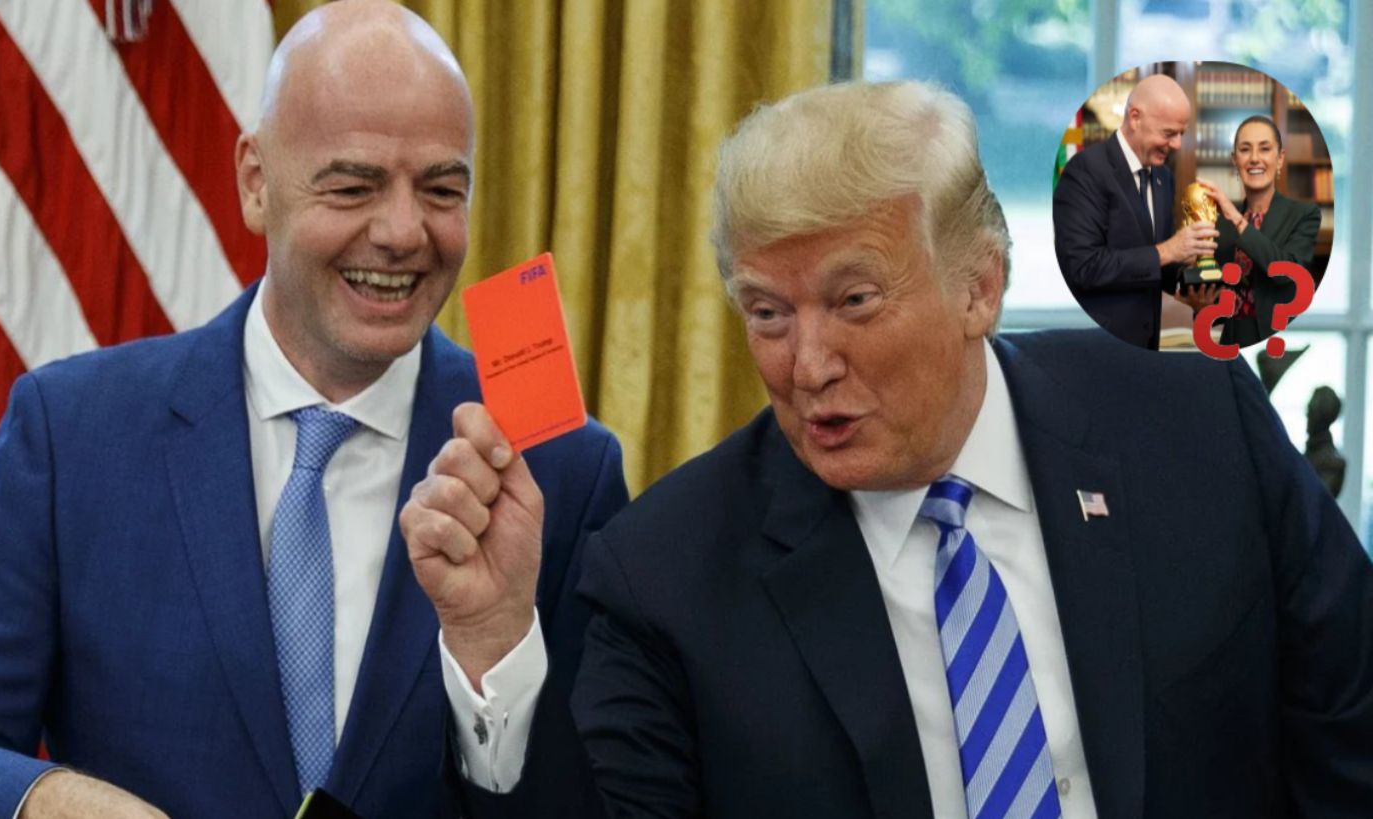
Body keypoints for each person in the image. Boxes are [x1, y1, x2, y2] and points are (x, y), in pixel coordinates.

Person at [415, 79, 1373, 818]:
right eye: (767, 312)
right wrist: (495, 642)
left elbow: (1350, 729)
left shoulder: (1192, 421)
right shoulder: (665, 571)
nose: (809, 365)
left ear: (979, 287)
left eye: (854, 300)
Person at [0, 3, 626, 818]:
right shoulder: (71, 435)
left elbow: (608, 800)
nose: (404, 232)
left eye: (441, 189)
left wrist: (495, 659)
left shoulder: (560, 467)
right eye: (353, 185)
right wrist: (47, 799)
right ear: (256, 183)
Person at [1053, 73, 1219, 350]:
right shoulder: (1085, 171)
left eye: (1182, 134)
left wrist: (1189, 283)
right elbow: (1083, 267)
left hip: (1149, 344)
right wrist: (1169, 250)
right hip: (1100, 345)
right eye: (1169, 133)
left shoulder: (1163, 177)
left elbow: (1157, 265)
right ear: (1134, 118)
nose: (1177, 144)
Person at [1195, 115, 1321, 347]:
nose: (1254, 158)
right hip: (1228, 341)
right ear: (1235, 160)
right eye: (1245, 149)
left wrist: (1236, 219)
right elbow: (1216, 291)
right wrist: (1201, 306)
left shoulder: (1304, 215)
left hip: (1275, 339)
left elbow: (1286, 273)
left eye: (1264, 149)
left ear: (1280, 159)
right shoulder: (1220, 224)